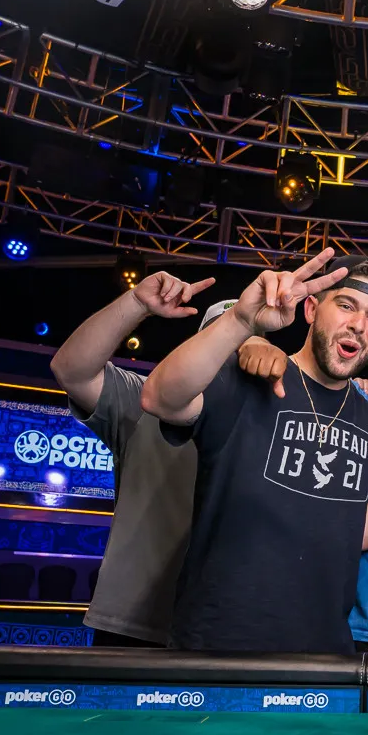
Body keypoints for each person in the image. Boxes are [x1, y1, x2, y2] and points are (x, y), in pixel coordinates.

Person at [139, 251, 368, 653]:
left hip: (326, 651)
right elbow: (159, 398)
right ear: (310, 309)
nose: (358, 325)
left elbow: (366, 523)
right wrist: (242, 323)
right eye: (346, 305)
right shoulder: (249, 378)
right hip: (217, 644)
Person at [49, 270, 218, 647]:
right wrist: (137, 303)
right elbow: (71, 371)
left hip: (227, 628)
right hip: (136, 626)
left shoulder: (275, 426)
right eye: (219, 341)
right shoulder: (146, 401)